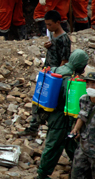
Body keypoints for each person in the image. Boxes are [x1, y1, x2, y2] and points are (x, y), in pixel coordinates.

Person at [36, 49, 89, 179]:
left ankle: (80, 167)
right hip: (62, 117)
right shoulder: (70, 78)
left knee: (70, 143)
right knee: (53, 145)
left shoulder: (55, 70)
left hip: (53, 114)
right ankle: (42, 174)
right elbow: (69, 100)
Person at [21, 10, 71, 137]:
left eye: (50, 25)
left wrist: (57, 78)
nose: (47, 27)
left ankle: (47, 129)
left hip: (53, 77)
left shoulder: (64, 39)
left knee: (48, 102)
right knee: (37, 100)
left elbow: (64, 61)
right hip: (47, 73)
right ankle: (33, 127)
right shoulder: (53, 35)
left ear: (58, 22)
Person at [69, 71, 95, 178]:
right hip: (84, 148)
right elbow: (82, 115)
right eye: (88, 84)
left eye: (93, 84)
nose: (90, 87)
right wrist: (76, 130)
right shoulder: (84, 99)